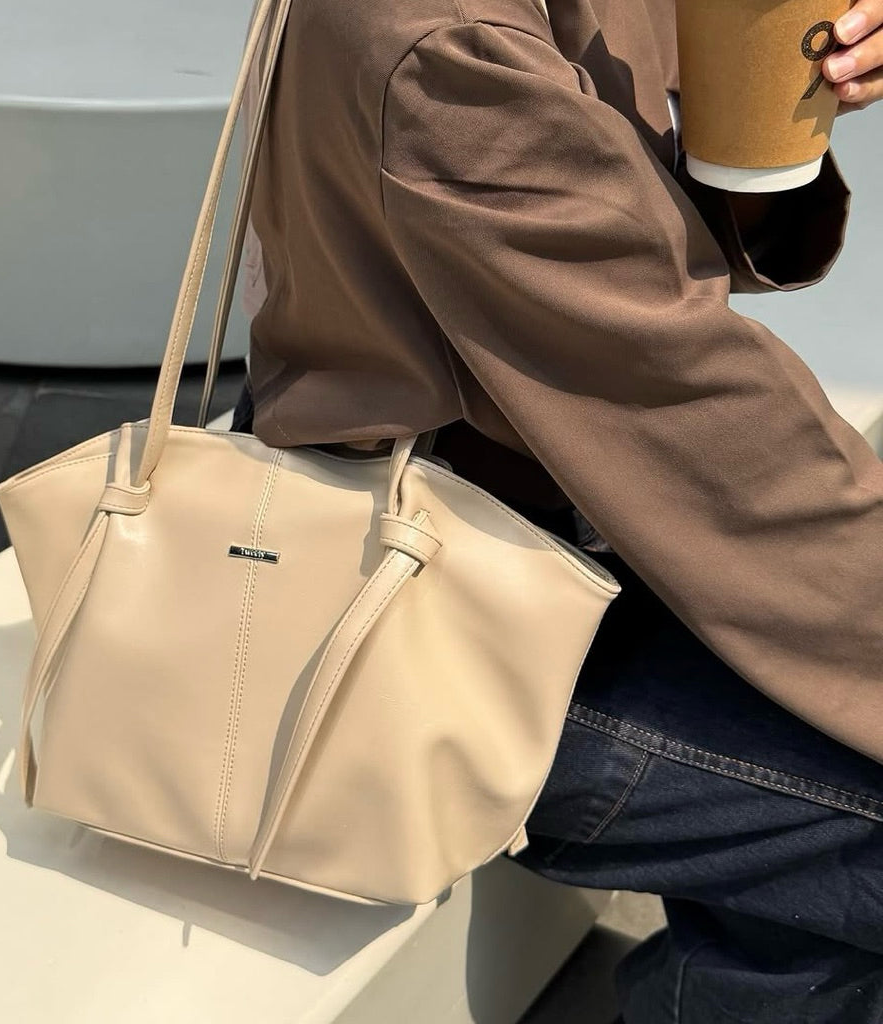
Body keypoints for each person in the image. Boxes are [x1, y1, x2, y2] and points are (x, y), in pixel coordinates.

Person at [231, 0, 883, 1018]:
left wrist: (775, 106)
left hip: (563, 518)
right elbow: (692, 410)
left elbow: (644, 254)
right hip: (432, 613)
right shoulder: (451, 47)